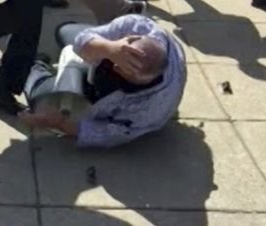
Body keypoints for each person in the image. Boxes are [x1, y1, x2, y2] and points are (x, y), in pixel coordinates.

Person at [19, 14, 186, 148]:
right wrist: (109, 49)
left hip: (102, 97)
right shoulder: (140, 26)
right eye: (121, 57)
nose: (115, 67)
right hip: (100, 58)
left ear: (142, 80)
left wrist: (58, 123)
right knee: (64, 31)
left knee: (40, 95)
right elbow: (82, 40)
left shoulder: (150, 110)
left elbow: (107, 133)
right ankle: (95, 49)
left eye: (123, 69)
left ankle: (36, 66)